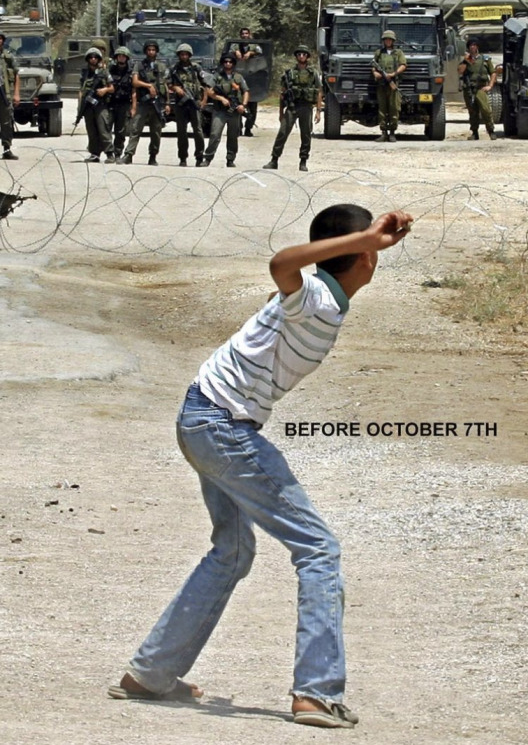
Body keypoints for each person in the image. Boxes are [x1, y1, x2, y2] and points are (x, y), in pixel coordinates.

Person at [107, 202, 413, 729]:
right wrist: (364, 241)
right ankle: (316, 693)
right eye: (369, 248)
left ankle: (151, 673)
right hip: (222, 427)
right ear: (363, 256)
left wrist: (366, 241)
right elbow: (282, 263)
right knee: (318, 548)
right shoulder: (313, 295)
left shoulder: (322, 299)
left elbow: (283, 285)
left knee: (232, 550)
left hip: (203, 417)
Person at [263, 45, 322, 172]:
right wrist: (280, 112)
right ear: (296, 57)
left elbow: (319, 92)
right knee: (282, 133)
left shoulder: (313, 73)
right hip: (292, 106)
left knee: (306, 135)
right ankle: (274, 160)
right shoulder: (289, 73)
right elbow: (282, 93)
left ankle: (303, 161)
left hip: (306, 107)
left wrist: (318, 111)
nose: (301, 56)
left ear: (307, 57)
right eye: (299, 54)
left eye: (304, 54)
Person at [118, 40, 170, 166]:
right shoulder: (139, 65)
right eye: (149, 50)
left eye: (153, 50)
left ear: (156, 51)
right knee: (135, 130)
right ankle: (128, 155)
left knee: (156, 132)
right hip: (143, 103)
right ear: (145, 51)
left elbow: (166, 86)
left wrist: (167, 103)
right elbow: (135, 83)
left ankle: (153, 156)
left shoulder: (162, 67)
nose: (151, 52)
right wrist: (148, 86)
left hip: (157, 103)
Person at [201, 52, 249, 168]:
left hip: (234, 111)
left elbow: (246, 91)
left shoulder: (238, 77)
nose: (228, 64)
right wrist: (220, 98)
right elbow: (210, 91)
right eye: (226, 62)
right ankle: (207, 158)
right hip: (220, 111)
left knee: (233, 136)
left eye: (230, 62)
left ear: (233, 63)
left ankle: (230, 159)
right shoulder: (217, 77)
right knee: (215, 135)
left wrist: (243, 105)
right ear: (223, 63)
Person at [167, 43, 209, 167]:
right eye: (182, 54)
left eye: (186, 54)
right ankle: (183, 157)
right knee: (181, 132)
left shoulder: (196, 68)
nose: (184, 56)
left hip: (194, 102)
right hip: (181, 104)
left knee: (198, 131)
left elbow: (205, 85)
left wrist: (204, 101)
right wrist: (176, 88)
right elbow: (168, 83)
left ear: (189, 55)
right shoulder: (174, 69)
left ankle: (199, 156)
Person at [78, 47, 115, 163]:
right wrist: (80, 107)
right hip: (88, 106)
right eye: (91, 57)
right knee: (91, 130)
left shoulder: (104, 72)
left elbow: (112, 88)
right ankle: (94, 153)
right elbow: (81, 90)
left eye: (95, 57)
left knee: (103, 129)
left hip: (101, 105)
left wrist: (104, 90)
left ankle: (110, 154)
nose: (93, 59)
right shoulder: (85, 73)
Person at [458, 37, 497, 141]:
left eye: (474, 45)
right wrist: (465, 61)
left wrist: (490, 85)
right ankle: (474, 132)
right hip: (469, 89)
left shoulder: (485, 59)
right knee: (472, 111)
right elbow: (460, 71)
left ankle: (491, 131)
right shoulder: (466, 60)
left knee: (485, 109)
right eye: (470, 45)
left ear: (477, 47)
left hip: (481, 88)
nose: (472, 47)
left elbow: (493, 73)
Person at [372, 30, 406, 142]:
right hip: (381, 84)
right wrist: (375, 73)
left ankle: (392, 132)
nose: (388, 41)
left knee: (394, 108)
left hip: (393, 83)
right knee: (382, 109)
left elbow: (403, 65)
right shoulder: (379, 53)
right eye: (386, 39)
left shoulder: (398, 53)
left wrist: (393, 74)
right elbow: (374, 65)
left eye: (389, 39)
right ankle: (383, 132)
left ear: (393, 41)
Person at [232, 27, 262, 137]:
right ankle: (238, 128)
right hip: (238, 78)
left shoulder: (254, 45)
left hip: (253, 77)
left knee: (253, 105)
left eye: (246, 33)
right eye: (243, 34)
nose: (245, 35)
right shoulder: (235, 45)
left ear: (249, 34)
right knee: (238, 104)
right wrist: (235, 51)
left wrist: (251, 53)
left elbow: (261, 52)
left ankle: (248, 128)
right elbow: (229, 52)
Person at [107, 46, 134, 160]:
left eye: (123, 56)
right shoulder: (110, 70)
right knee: (106, 128)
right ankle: (109, 153)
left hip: (124, 103)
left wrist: (133, 107)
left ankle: (118, 153)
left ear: (127, 58)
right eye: (119, 56)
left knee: (121, 130)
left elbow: (134, 90)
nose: (121, 58)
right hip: (110, 102)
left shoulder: (131, 72)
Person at [0, 31, 20, 160]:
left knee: (6, 123)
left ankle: (6, 148)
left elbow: (17, 74)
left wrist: (16, 94)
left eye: (1, 39)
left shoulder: (8, 57)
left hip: (3, 94)